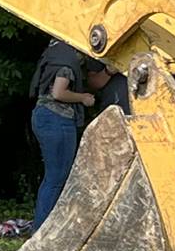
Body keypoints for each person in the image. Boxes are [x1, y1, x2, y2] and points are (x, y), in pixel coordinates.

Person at [28, 40, 115, 234]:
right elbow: (59, 92)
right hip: (57, 119)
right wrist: (83, 98)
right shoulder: (67, 61)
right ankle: (42, 231)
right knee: (57, 178)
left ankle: (43, 229)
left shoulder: (54, 52)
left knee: (53, 177)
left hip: (45, 117)